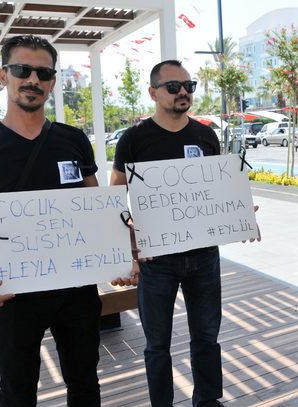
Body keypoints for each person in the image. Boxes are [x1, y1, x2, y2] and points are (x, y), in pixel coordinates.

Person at [0, 35, 101, 407]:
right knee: (17, 390)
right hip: (9, 292)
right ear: (3, 75)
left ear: (53, 81)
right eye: (22, 70)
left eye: (43, 72)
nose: (33, 79)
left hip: (75, 288)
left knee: (85, 384)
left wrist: (123, 253)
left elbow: (98, 208)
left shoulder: (73, 141)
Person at [110, 60, 224, 407]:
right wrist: (130, 246)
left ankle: (207, 400)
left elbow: (216, 189)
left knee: (207, 337)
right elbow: (116, 194)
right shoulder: (134, 139)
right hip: (156, 259)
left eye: (189, 85)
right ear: (153, 93)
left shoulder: (206, 135)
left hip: (204, 256)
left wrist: (235, 211)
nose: (183, 92)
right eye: (173, 87)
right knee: (156, 344)